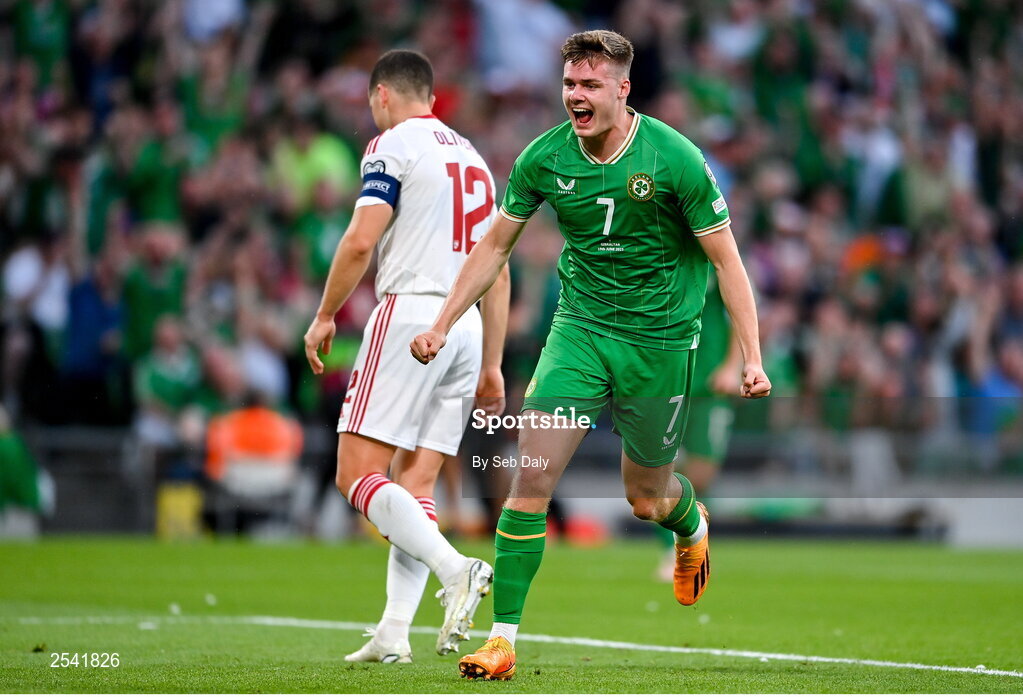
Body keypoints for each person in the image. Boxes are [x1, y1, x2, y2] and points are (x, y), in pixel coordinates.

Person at [409, 31, 771, 680]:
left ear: (621, 89)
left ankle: (689, 525)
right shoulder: (543, 159)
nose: (576, 96)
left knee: (645, 498)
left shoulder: (674, 158)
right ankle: (502, 639)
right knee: (530, 479)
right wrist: (441, 320)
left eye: (590, 85)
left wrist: (751, 354)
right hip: (577, 331)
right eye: (570, 84)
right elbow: (493, 248)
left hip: (658, 343)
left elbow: (726, 259)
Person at [303, 50, 510, 663]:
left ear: (383, 96)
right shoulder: (474, 159)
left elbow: (362, 239)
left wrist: (323, 316)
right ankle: (394, 632)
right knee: (417, 481)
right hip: (465, 325)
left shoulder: (390, 144)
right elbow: (496, 271)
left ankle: (455, 568)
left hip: (411, 314)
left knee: (354, 473)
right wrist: (494, 360)